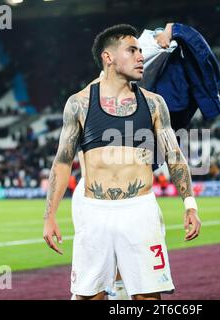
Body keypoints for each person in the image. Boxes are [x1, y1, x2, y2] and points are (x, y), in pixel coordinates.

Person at [43, 24, 201, 300]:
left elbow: (174, 156)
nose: (141, 57)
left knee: (147, 296)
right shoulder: (79, 103)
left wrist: (190, 204)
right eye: (132, 50)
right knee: (90, 296)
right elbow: (62, 162)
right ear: (108, 57)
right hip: (94, 213)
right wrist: (49, 216)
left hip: (140, 211)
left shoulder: (154, 104)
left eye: (141, 50)